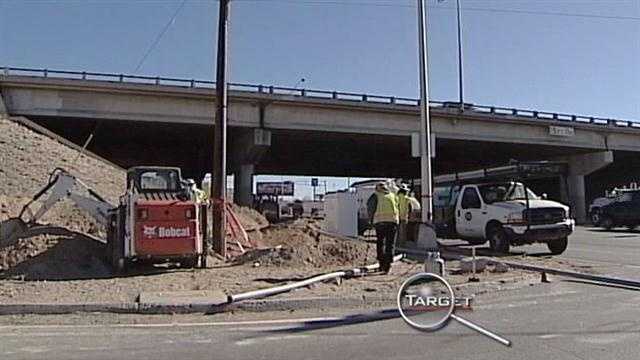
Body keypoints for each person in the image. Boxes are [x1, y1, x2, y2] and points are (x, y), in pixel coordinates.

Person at [367, 182, 399, 274]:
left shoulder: (375, 196)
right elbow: (397, 208)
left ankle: (381, 264)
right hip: (392, 222)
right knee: (390, 244)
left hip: (380, 223)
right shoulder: (392, 195)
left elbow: (370, 208)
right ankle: (388, 265)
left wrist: (370, 221)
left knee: (380, 243)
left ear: (377, 188)